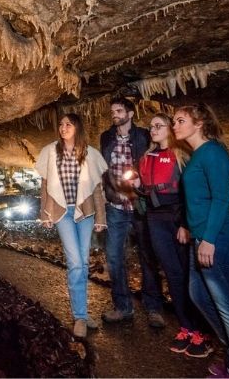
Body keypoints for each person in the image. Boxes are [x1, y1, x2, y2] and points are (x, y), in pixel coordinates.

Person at [173, 103, 229, 378]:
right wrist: (187, 226)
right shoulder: (196, 155)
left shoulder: (213, 154)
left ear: (199, 123)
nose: (175, 125)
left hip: (219, 239)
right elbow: (198, 199)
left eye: (180, 120)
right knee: (198, 296)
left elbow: (223, 199)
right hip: (202, 237)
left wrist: (208, 239)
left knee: (227, 306)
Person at [126, 113, 211, 357]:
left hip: (177, 217)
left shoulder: (181, 155)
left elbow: (189, 192)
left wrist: (185, 224)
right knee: (172, 273)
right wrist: (137, 188)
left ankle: (200, 331)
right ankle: (185, 327)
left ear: (169, 130)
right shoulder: (145, 158)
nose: (152, 130)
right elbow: (145, 191)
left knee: (188, 274)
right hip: (155, 218)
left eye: (158, 126)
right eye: (151, 126)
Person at [35, 112, 108, 338]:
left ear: (77, 128)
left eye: (68, 124)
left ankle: (83, 314)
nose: (63, 127)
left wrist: (101, 218)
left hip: (84, 212)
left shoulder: (89, 153)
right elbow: (45, 185)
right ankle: (79, 317)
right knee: (76, 262)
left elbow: (96, 188)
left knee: (84, 263)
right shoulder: (50, 152)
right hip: (62, 212)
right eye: (61, 124)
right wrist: (45, 214)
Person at [99, 97, 165, 327]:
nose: (114, 114)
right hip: (116, 205)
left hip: (140, 205)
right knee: (115, 257)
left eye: (118, 110)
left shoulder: (144, 136)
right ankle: (122, 306)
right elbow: (104, 170)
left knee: (147, 256)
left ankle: (154, 308)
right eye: (112, 111)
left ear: (130, 113)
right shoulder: (106, 137)